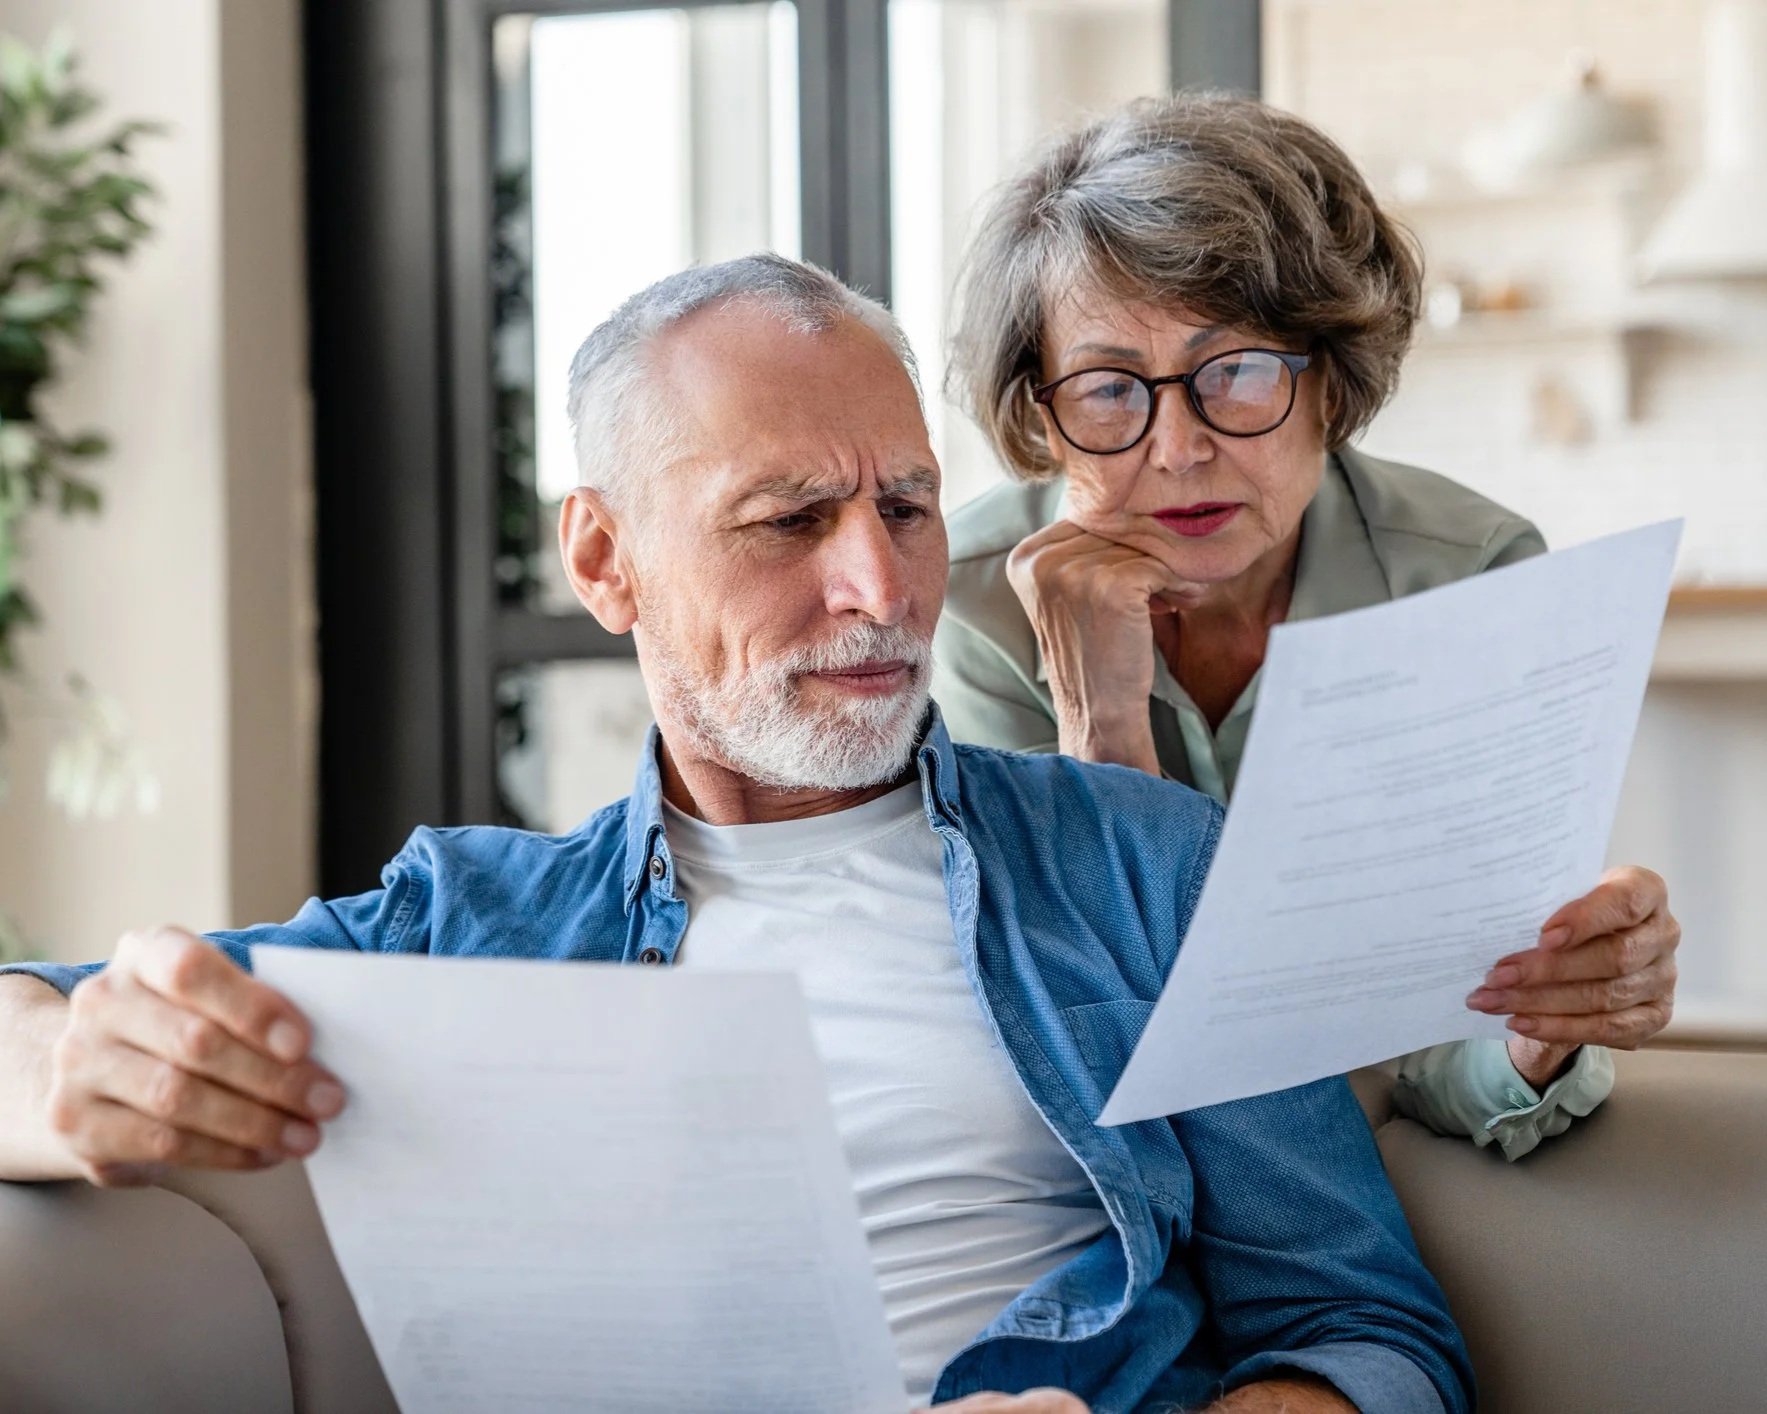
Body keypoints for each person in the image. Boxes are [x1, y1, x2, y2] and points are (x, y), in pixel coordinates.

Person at [0, 255, 1470, 1414]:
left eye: (905, 505)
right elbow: (30, 1017)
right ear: (601, 558)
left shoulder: (1136, 861)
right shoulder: (468, 919)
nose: (879, 587)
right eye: (786, 520)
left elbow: (1367, 1336)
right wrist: (79, 1071)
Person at [934, 93, 1681, 1160]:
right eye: (1107, 389)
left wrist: (1542, 1028)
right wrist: (1101, 731)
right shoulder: (971, 607)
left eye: (1233, 372)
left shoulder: (1468, 582)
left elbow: (1441, 1044)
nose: (1178, 448)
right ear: (1041, 417)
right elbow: (1070, 1045)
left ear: (1330, 380)